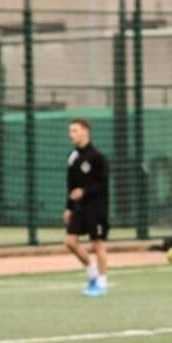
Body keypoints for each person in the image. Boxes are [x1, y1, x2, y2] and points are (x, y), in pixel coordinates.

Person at [63, 119, 110, 297]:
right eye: (70, 131)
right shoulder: (72, 157)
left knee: (97, 243)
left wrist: (84, 191)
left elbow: (103, 184)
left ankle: (102, 283)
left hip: (96, 207)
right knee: (70, 242)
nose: (71, 135)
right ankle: (92, 273)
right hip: (79, 208)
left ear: (85, 132)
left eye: (75, 130)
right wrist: (68, 207)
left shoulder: (98, 157)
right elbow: (71, 185)